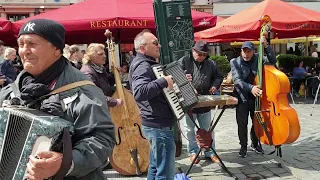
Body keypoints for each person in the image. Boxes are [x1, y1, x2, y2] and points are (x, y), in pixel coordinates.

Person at [0, 19, 116, 179]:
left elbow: (102, 140)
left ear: (56, 49)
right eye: (21, 44)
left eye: (32, 44)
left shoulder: (83, 90)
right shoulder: (12, 91)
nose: (24, 51)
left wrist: (65, 163)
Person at [130, 29, 188, 180]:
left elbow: (157, 92)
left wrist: (177, 81)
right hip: (158, 126)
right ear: (143, 48)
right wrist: (163, 81)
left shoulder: (146, 64)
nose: (159, 46)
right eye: (155, 43)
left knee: (155, 168)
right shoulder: (142, 65)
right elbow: (140, 92)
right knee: (165, 174)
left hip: (156, 125)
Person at [178, 40, 223, 164]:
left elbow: (219, 76)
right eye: (200, 54)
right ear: (193, 51)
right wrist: (184, 80)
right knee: (189, 129)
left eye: (204, 54)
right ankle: (193, 152)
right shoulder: (184, 61)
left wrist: (215, 85)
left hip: (205, 100)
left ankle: (210, 151)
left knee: (207, 129)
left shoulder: (211, 64)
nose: (202, 57)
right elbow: (174, 77)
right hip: (189, 101)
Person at [230, 40, 277, 158]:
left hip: (257, 97)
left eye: (249, 51)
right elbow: (237, 80)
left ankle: (255, 143)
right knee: (242, 123)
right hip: (242, 97)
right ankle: (243, 146)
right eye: (244, 51)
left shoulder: (258, 58)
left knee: (257, 122)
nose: (246, 54)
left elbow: (273, 61)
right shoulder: (235, 62)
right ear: (241, 51)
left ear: (253, 51)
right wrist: (251, 88)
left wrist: (266, 46)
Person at [80, 43, 123, 107]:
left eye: (104, 53)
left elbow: (107, 83)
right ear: (92, 56)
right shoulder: (87, 73)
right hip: (96, 111)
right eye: (100, 54)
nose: (104, 56)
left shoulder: (100, 68)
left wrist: (114, 74)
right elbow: (94, 95)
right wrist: (114, 102)